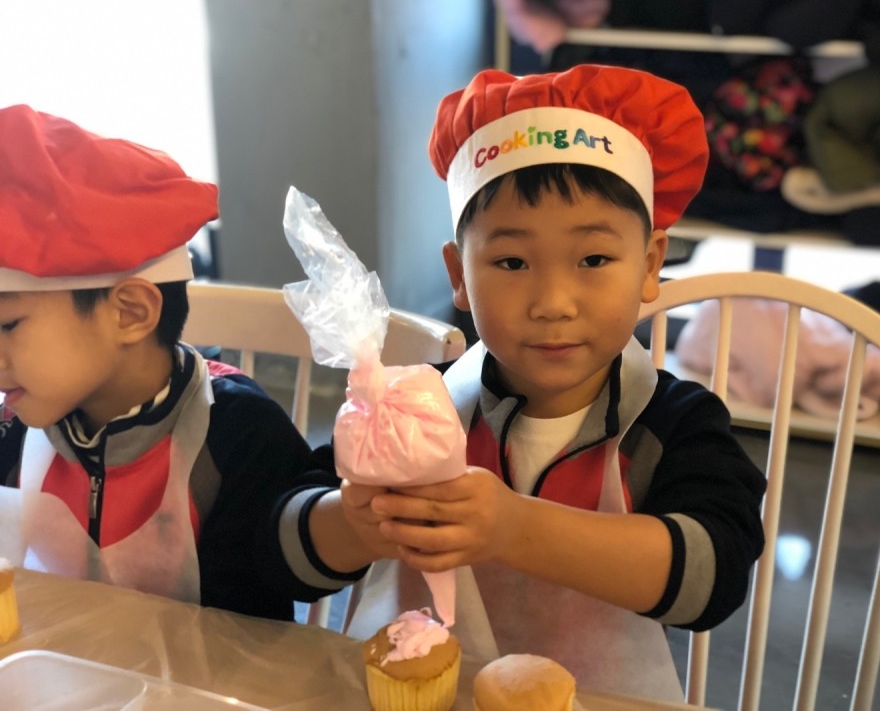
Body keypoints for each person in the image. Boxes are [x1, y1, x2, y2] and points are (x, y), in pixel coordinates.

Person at [283, 65, 767, 699]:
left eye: (593, 259)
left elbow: (713, 577)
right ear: (459, 275)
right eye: (511, 261)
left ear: (650, 266)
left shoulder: (673, 424)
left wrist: (513, 529)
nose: (553, 303)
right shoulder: (416, 405)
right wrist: (355, 525)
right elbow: (283, 549)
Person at [0, 105, 342, 621]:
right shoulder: (14, 432)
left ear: (130, 313)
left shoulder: (240, 437)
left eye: (8, 325)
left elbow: (296, 574)